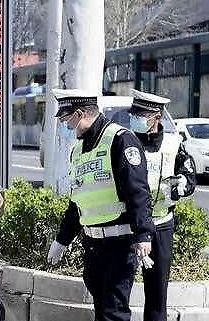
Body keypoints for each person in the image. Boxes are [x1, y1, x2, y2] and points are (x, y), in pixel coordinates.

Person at [46, 88, 155, 321]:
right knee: (102, 310)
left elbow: (137, 191)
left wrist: (143, 235)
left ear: (80, 114)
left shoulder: (119, 140)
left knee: (113, 313)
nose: (66, 126)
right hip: (93, 245)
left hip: (119, 243)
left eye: (66, 120)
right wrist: (62, 240)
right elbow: (77, 202)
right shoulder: (79, 150)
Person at [129, 89, 196, 321]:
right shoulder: (126, 141)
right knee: (118, 290)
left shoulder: (173, 143)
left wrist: (180, 188)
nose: (135, 118)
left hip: (161, 225)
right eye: (134, 113)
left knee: (157, 294)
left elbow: (189, 175)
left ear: (156, 116)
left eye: (141, 114)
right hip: (129, 226)